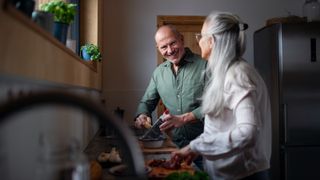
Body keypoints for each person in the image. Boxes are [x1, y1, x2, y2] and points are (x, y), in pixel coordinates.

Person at [171, 11, 272, 180]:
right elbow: (219, 127)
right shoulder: (227, 72)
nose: (198, 41)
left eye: (200, 36)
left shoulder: (238, 74)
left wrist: (195, 147)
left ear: (211, 41)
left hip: (244, 174)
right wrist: (200, 148)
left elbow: (248, 133)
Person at [134, 25, 207, 169]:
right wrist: (142, 115)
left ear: (181, 39)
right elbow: (147, 102)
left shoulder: (205, 66)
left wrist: (185, 118)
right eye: (163, 47)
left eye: (173, 43)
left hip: (203, 147)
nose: (169, 50)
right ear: (158, 49)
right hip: (175, 147)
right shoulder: (158, 73)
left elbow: (218, 105)